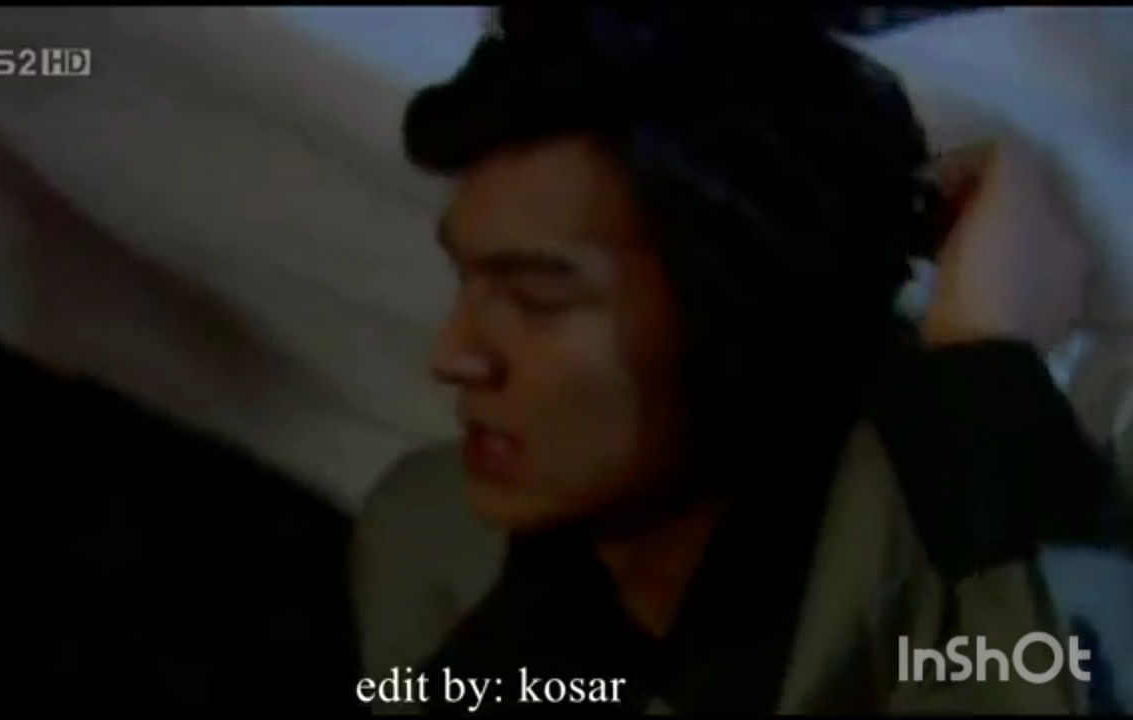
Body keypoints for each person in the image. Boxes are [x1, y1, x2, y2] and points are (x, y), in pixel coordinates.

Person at [351, 6, 1130, 715]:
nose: (454, 356)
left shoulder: (961, 568)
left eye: (536, 299)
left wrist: (987, 366)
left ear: (739, 313)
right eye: (467, 279)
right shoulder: (427, 539)